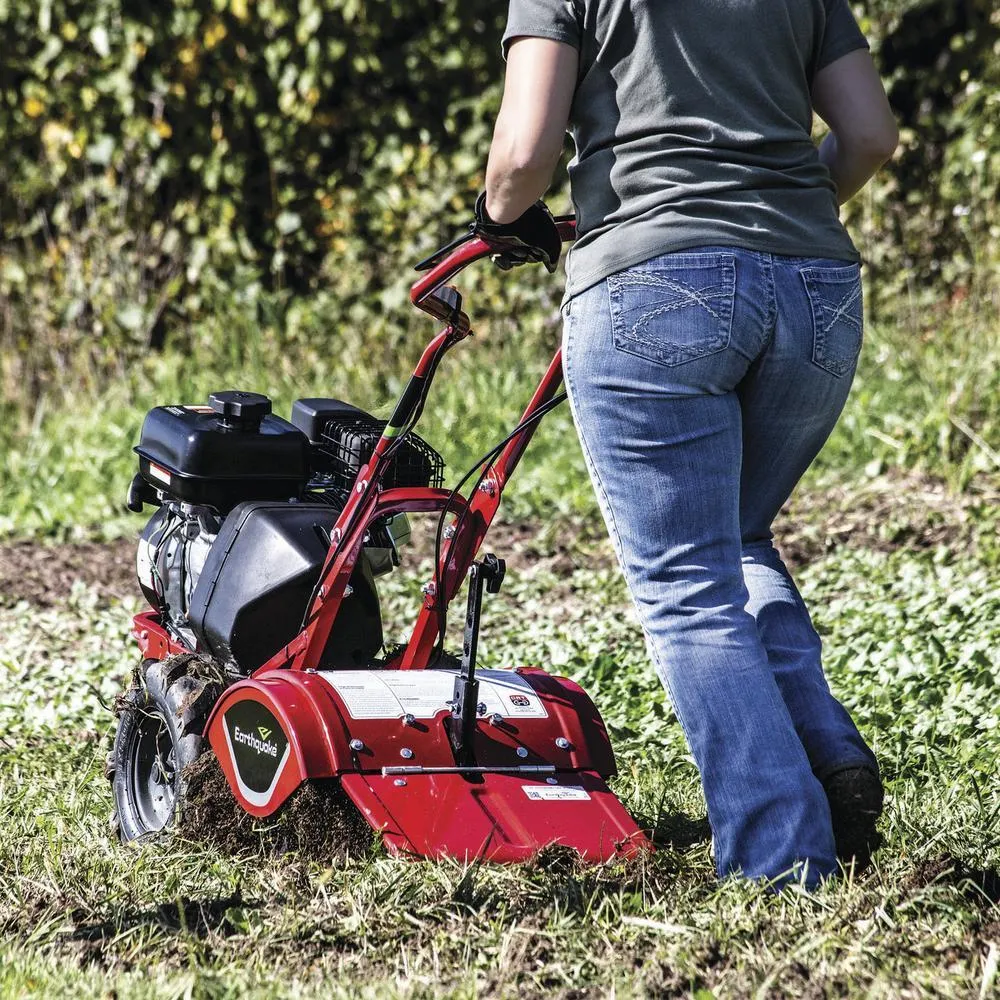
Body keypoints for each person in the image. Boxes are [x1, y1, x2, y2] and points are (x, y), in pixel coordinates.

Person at [481, 0, 898, 886]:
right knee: (739, 536)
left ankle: (782, 858)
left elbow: (523, 154)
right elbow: (868, 135)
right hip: (817, 291)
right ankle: (824, 756)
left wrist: (501, 214)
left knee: (687, 585)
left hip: (654, 281)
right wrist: (787, 213)